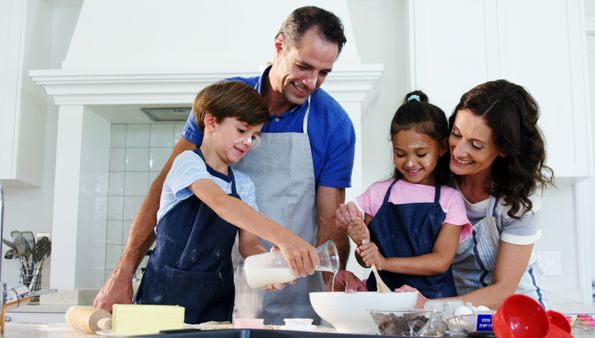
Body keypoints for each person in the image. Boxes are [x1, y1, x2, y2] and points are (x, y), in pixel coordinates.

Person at [94, 6, 361, 324]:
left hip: (287, 291)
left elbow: (328, 221)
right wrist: (123, 271)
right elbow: (191, 194)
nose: (312, 82)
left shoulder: (334, 124)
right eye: (304, 66)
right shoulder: (223, 102)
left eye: (324, 72)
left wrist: (333, 287)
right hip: (216, 291)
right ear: (279, 46)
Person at [134, 81, 319, 324]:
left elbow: (249, 243)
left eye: (254, 136)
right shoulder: (188, 163)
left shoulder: (242, 184)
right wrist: (285, 238)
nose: (248, 142)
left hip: (216, 299)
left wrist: (267, 266)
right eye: (242, 131)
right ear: (211, 122)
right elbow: (220, 203)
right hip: (165, 295)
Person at [393, 79, 554, 310]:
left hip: (519, 311)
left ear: (504, 149)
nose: (459, 151)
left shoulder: (519, 198)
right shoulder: (435, 179)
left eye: (476, 145)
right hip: (455, 311)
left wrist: (428, 306)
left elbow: (502, 291)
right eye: (456, 134)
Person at [337, 91, 471, 299]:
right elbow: (367, 260)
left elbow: (440, 261)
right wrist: (361, 243)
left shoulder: (449, 199)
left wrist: (385, 262)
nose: (409, 162)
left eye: (420, 154)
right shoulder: (378, 194)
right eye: (400, 154)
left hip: (432, 304)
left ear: (442, 148)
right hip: (382, 300)